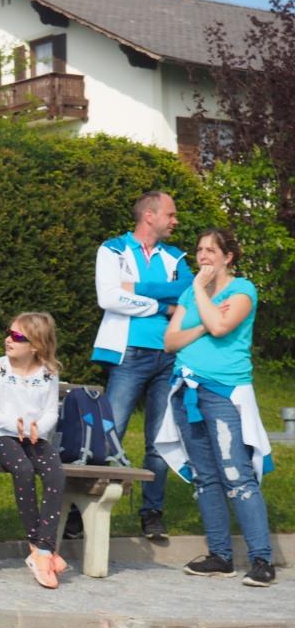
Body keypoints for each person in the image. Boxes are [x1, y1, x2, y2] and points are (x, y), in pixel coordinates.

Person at [157, 228, 276, 587]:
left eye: (211, 250)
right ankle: (220, 556)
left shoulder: (242, 290)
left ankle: (262, 559)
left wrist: (199, 292)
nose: (203, 256)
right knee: (205, 477)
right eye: (199, 250)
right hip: (186, 391)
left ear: (228, 256)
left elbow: (222, 327)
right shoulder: (190, 293)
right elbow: (169, 341)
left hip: (223, 393)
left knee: (236, 474)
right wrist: (201, 326)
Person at [91, 190, 193, 540]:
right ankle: (82, 510)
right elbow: (108, 298)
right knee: (110, 433)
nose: (175, 220)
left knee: (160, 439)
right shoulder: (112, 249)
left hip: (169, 356)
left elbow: (187, 291)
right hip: (129, 355)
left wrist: (136, 287)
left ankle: (152, 513)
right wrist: (161, 305)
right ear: (150, 215)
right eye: (171, 214)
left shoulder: (175, 256)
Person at [0, 313, 67, 589]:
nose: (9, 339)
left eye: (17, 337)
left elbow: (51, 411)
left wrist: (38, 429)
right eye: (9, 333)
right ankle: (38, 546)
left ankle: (44, 549)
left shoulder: (48, 372)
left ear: (36, 345)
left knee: (55, 475)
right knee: (23, 469)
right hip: (2, 435)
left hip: (35, 437)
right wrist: (14, 425)